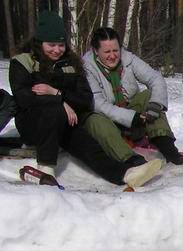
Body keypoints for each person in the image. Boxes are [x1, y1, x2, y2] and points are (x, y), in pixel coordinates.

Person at [8, 11, 162, 187]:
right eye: (51, 45)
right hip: (33, 126)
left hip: (65, 122)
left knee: (87, 145)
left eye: (61, 45)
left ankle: (124, 174)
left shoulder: (71, 64)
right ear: (39, 42)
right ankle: (46, 169)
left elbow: (84, 98)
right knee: (54, 111)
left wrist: (58, 94)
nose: (57, 50)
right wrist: (60, 102)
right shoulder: (22, 62)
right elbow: (24, 99)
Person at [82, 27, 183, 166]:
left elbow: (155, 78)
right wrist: (132, 117)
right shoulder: (86, 67)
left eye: (115, 50)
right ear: (96, 51)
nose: (113, 56)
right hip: (107, 122)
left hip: (133, 119)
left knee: (150, 96)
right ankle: (131, 159)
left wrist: (154, 106)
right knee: (94, 118)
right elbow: (98, 104)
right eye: (107, 52)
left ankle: (166, 146)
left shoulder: (128, 59)